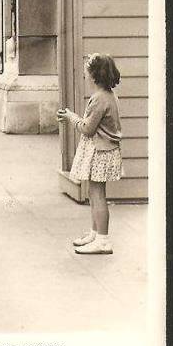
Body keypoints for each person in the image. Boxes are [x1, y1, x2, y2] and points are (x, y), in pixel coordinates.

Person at [57, 53, 123, 255]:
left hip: (100, 152)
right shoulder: (107, 95)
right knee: (93, 193)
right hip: (102, 150)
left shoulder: (99, 99)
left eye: (86, 73)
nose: (85, 77)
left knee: (97, 194)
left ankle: (103, 240)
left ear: (94, 76)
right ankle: (96, 233)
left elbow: (87, 129)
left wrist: (70, 117)